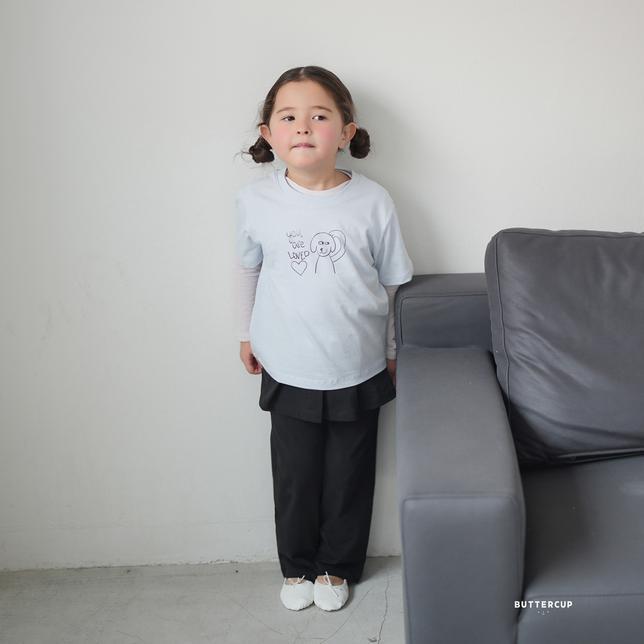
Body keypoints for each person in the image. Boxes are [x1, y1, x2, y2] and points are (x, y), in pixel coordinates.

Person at [235, 66, 413, 612]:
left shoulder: (373, 201)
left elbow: (393, 284)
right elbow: (247, 269)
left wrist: (392, 350)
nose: (303, 127)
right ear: (268, 133)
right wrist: (245, 333)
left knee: (348, 475)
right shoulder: (256, 200)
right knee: (295, 476)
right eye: (289, 117)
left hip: (358, 365)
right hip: (287, 364)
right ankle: (297, 567)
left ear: (346, 131)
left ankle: (337, 568)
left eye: (319, 116)